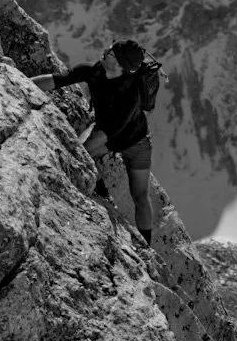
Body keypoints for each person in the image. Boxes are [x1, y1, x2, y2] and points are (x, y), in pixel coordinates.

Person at [32, 39, 154, 245]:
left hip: (134, 141)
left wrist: (79, 154)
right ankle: (101, 194)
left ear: (120, 65)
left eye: (112, 52)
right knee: (84, 155)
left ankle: (146, 245)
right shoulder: (94, 71)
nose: (106, 50)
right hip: (114, 134)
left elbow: (107, 134)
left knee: (140, 196)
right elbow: (56, 80)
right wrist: (20, 81)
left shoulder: (130, 95)